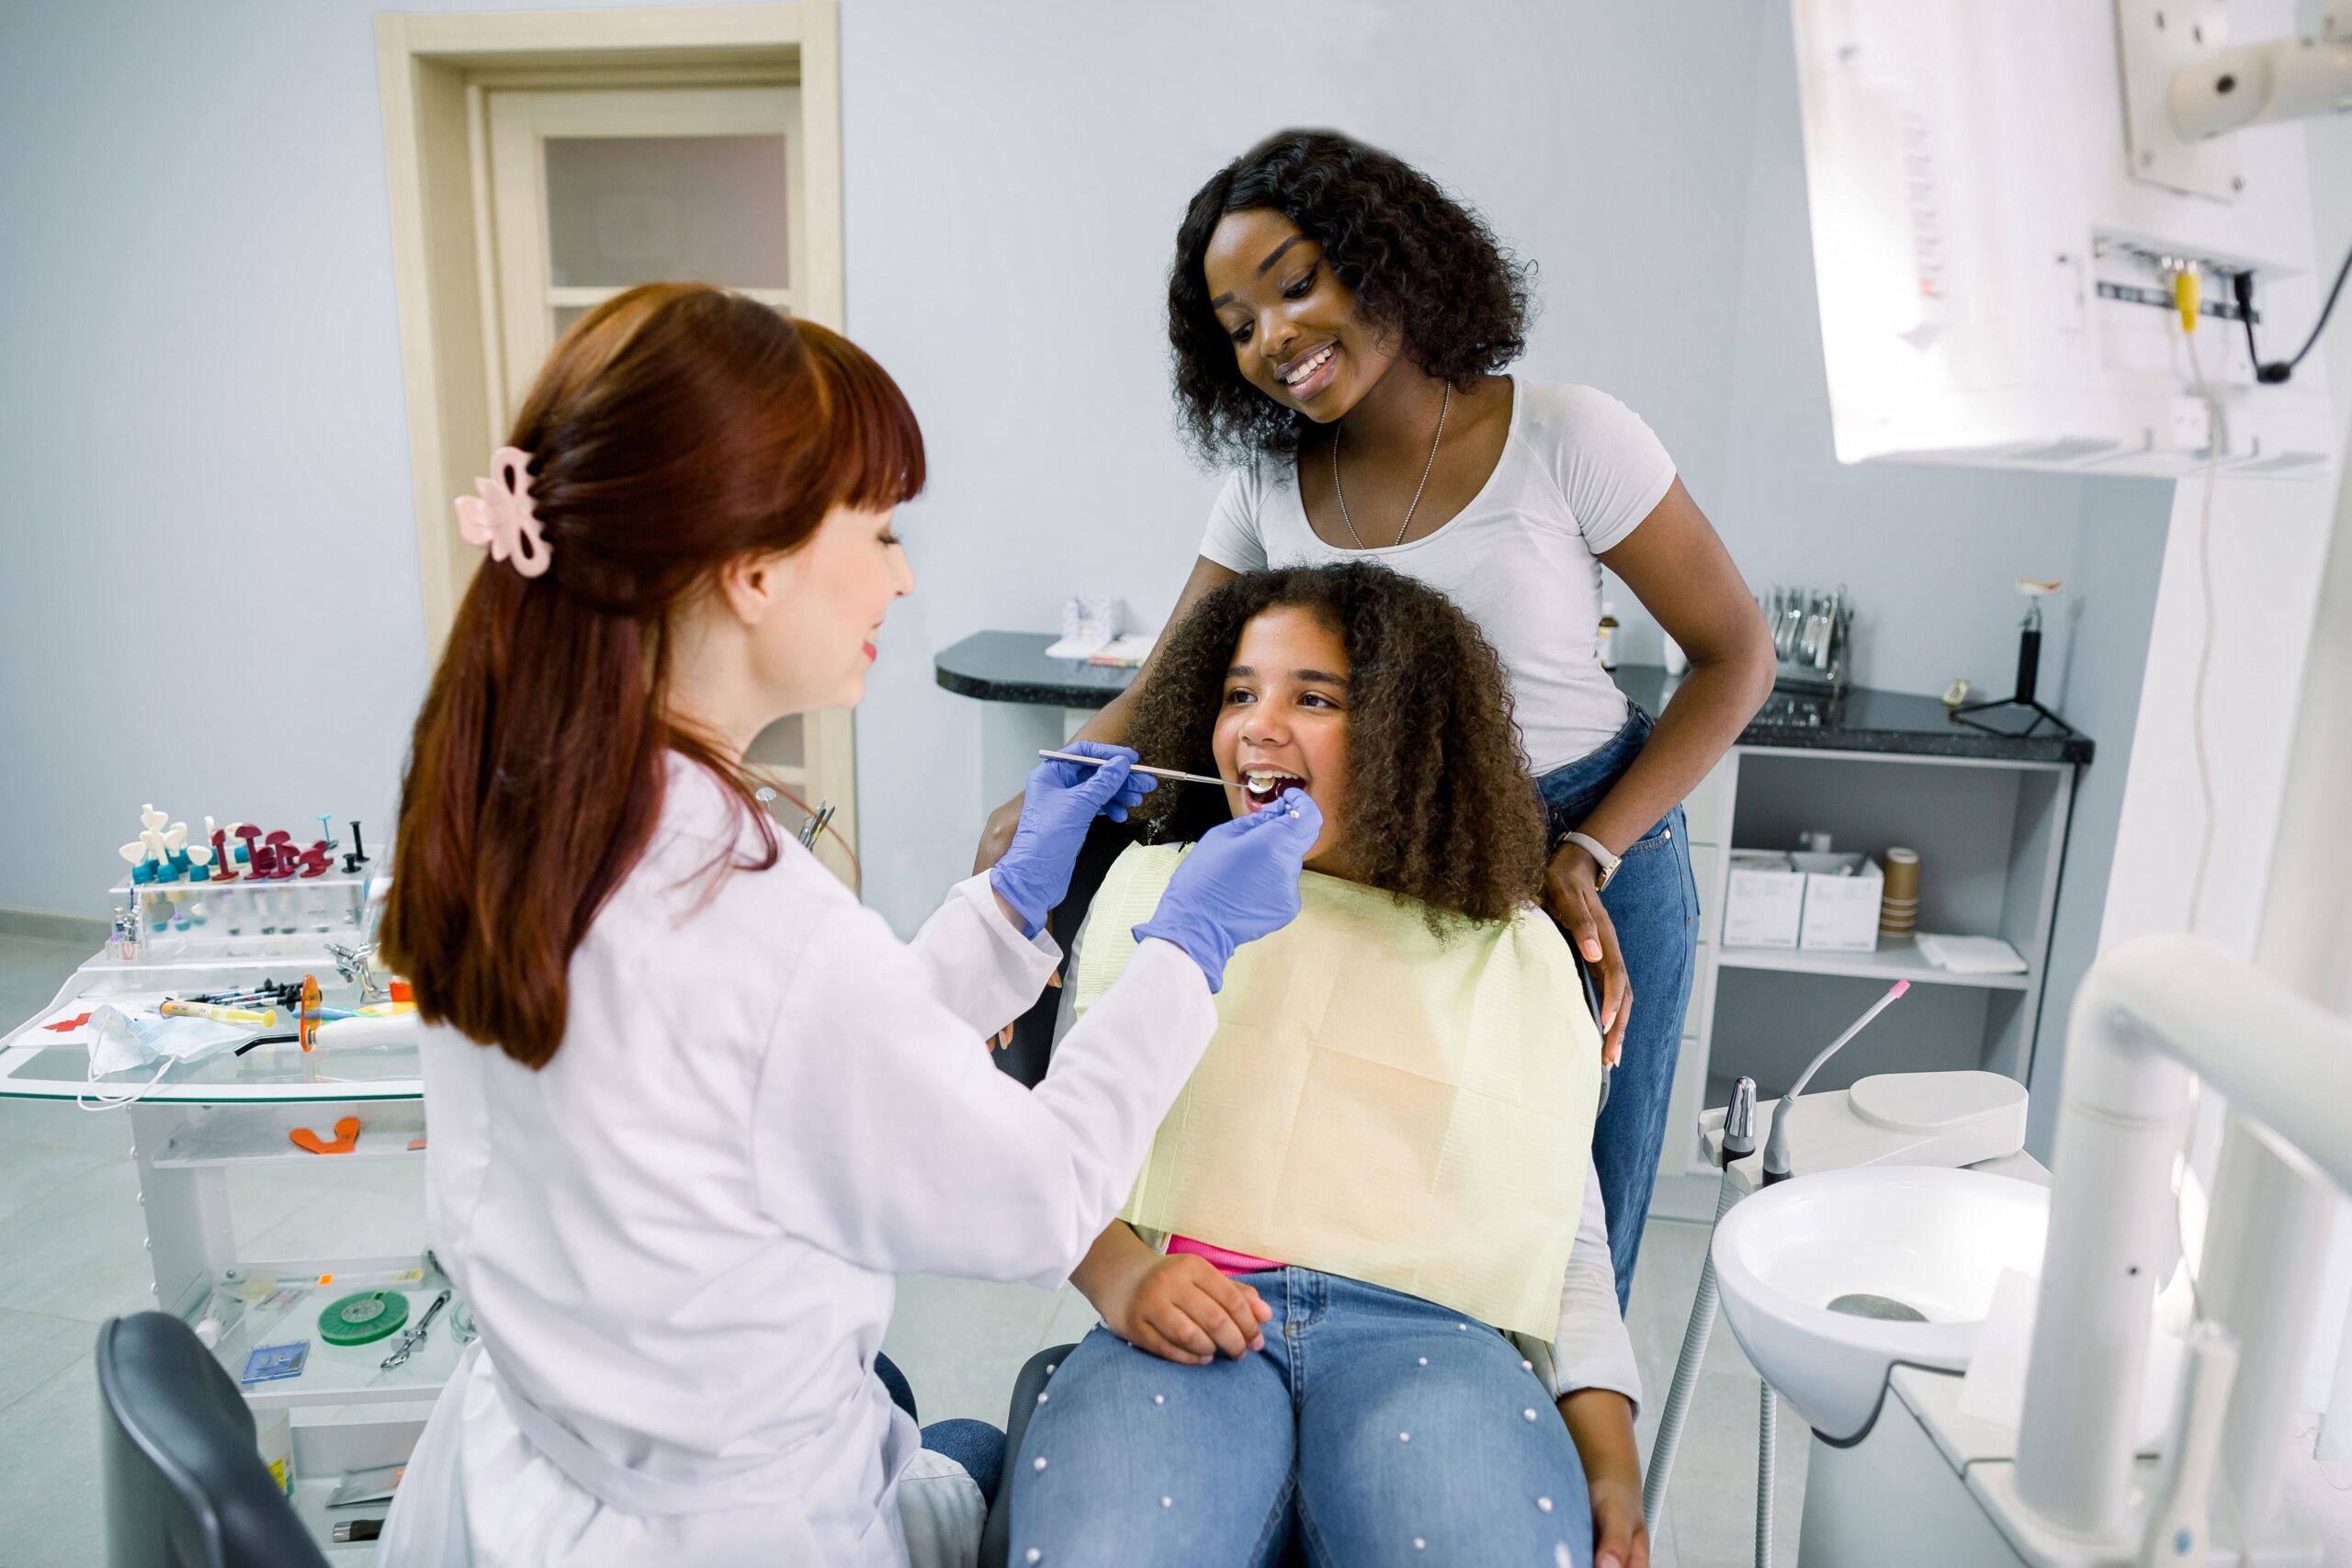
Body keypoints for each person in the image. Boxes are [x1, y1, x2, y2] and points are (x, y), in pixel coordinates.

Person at [371, 284, 1321, 1568]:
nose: (902, 572)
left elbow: (774, 1082)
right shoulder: (746, 914)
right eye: (875, 529)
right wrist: (1187, 948)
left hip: (541, 1463)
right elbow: (1035, 1193)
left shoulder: (520, 798)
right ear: (751, 567)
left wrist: (1005, 905)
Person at [975, 130, 1774, 1305]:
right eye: (1236, 324)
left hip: (1584, 842)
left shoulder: (1568, 436)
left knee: (1572, 1221)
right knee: (1399, 1207)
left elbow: (1734, 655)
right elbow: (1171, 685)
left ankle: (1576, 1461)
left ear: (1387, 260)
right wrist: (1043, 795)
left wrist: (1591, 846)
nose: (1272, 340)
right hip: (1381, 855)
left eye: (1295, 285)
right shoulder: (1262, 488)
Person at [1005, 565, 1647, 1568]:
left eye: (1314, 698)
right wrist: (1122, 1274)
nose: (1259, 726)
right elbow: (1059, 1150)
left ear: (1406, 737)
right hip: (1186, 1312)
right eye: (1237, 694)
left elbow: (1564, 1238)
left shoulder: (1513, 951)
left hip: (1434, 1342)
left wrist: (1609, 1459)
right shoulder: (1156, 898)